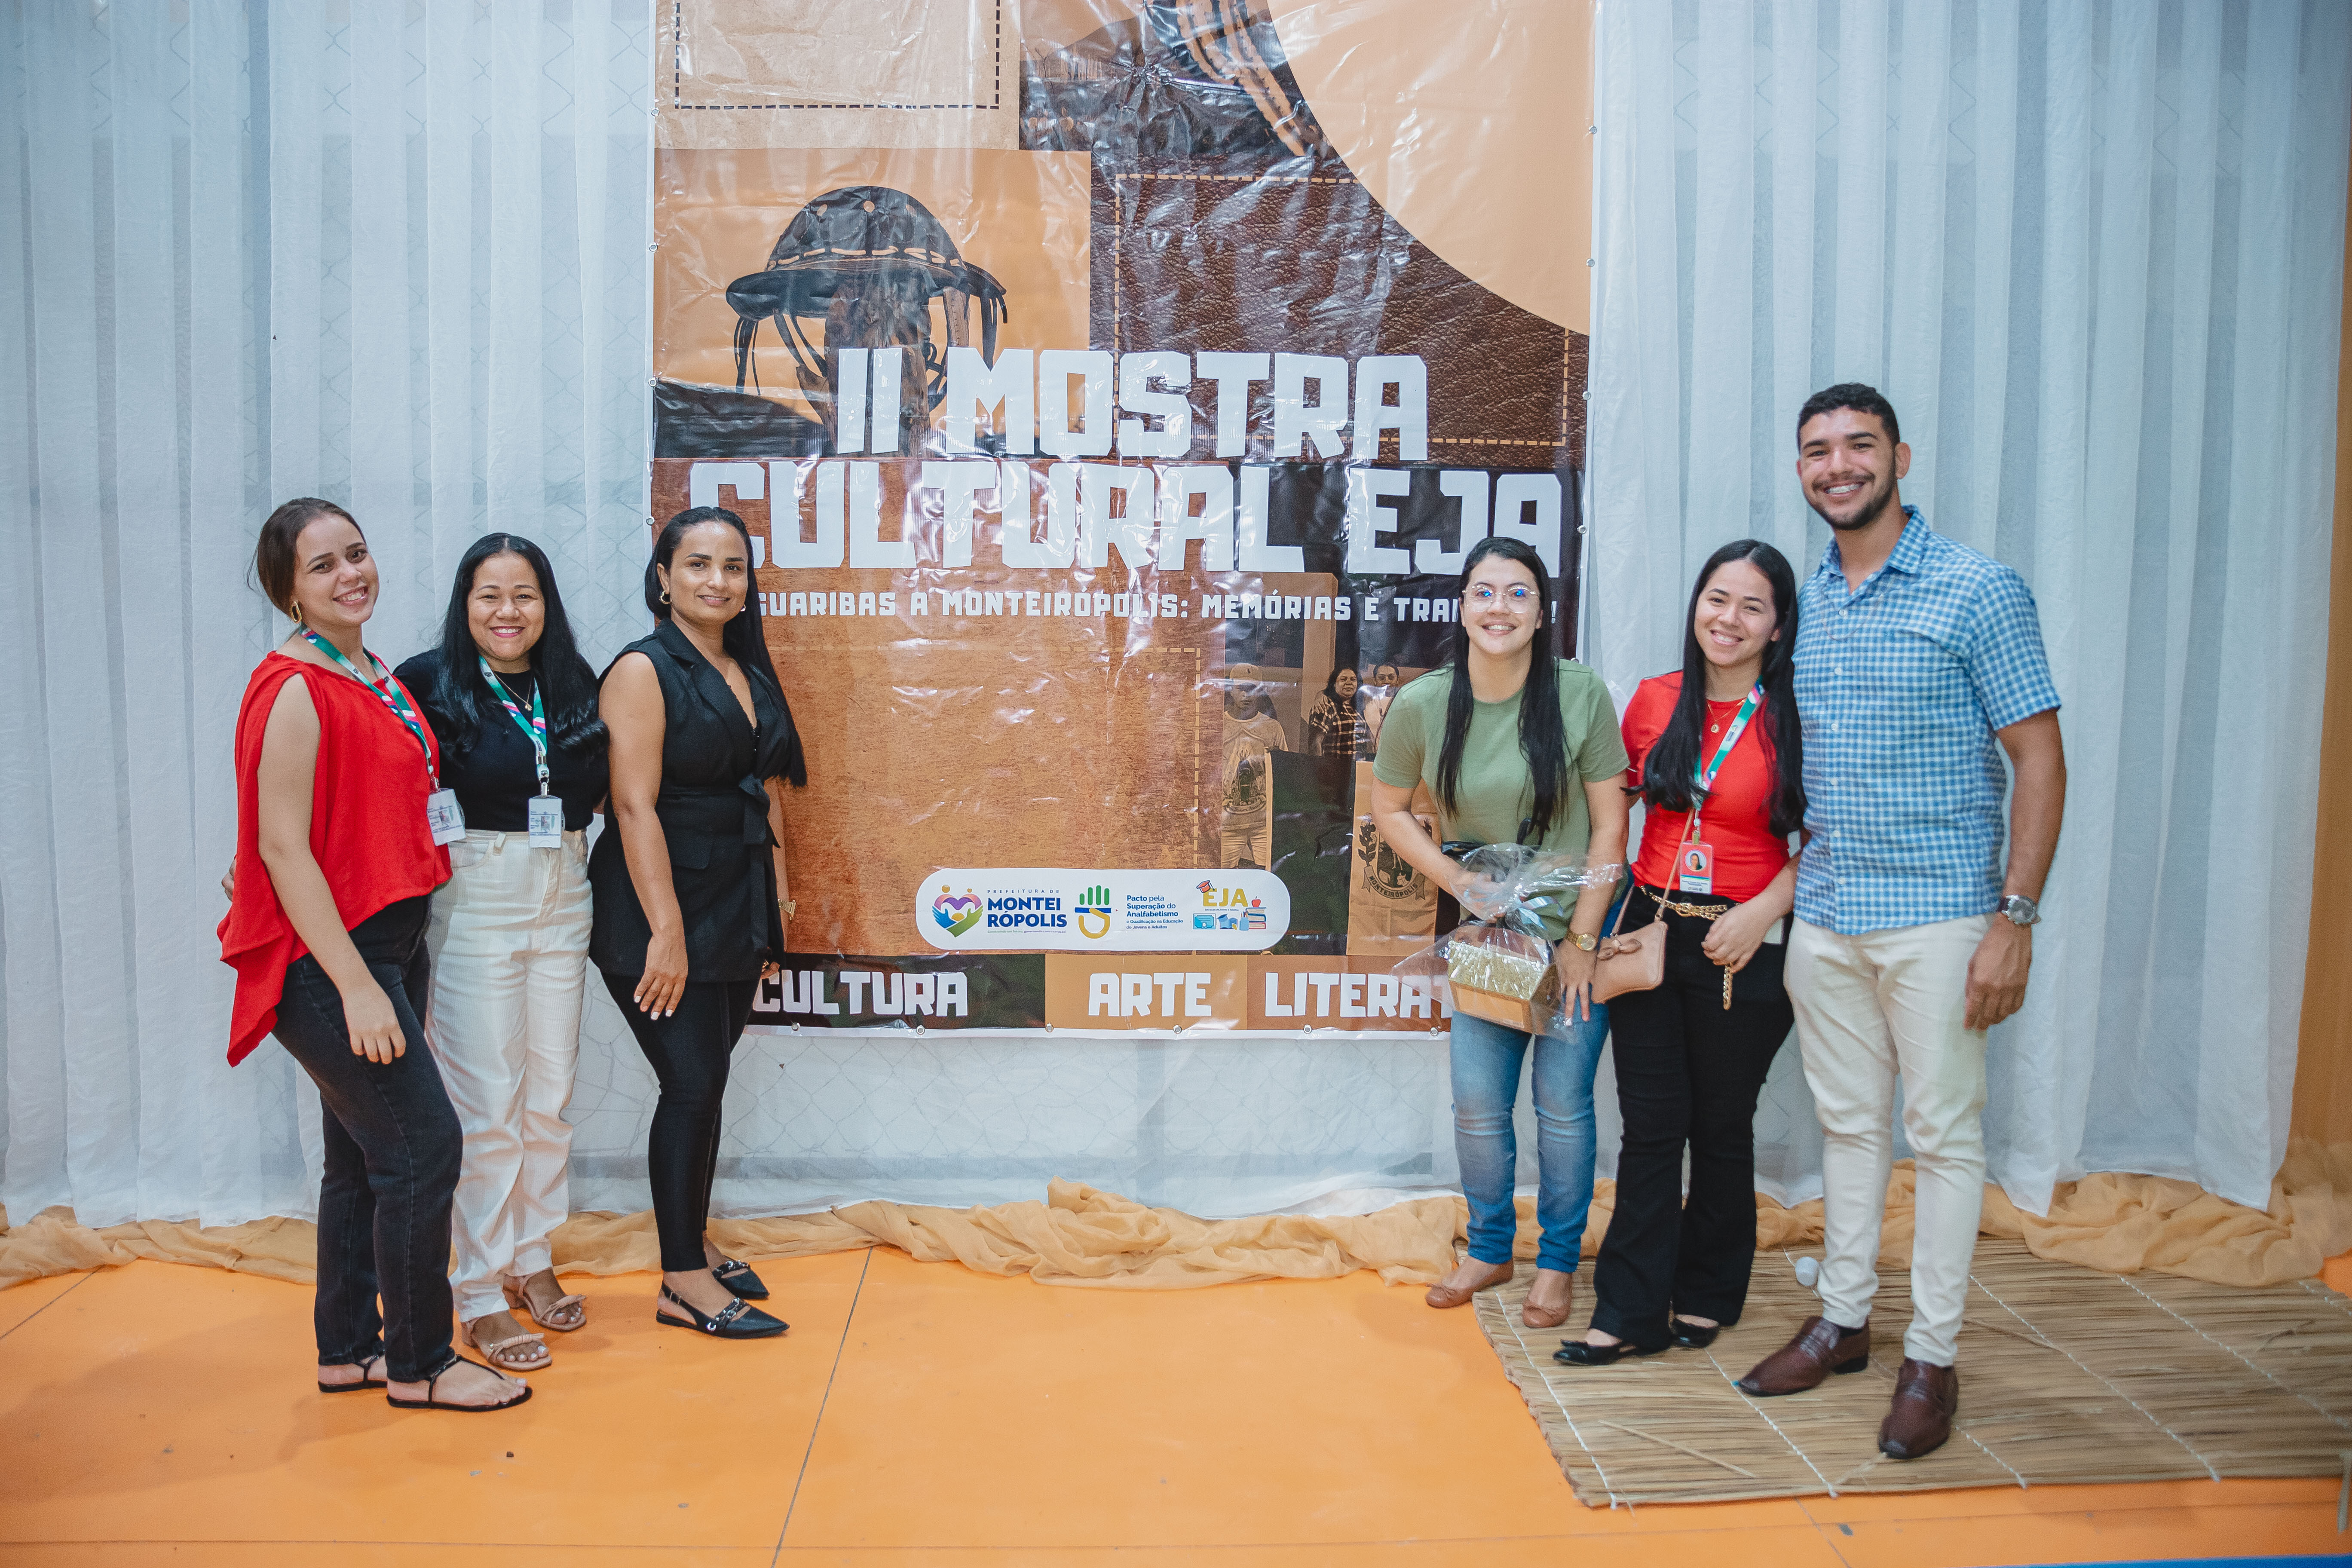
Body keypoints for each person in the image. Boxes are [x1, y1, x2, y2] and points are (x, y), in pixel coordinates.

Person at [1734, 385, 2064, 1463]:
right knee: (1844, 1130)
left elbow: (2037, 757)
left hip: (1940, 917)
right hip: (1825, 916)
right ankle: (1840, 1321)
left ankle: (1931, 1356)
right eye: (1816, 452)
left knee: (1943, 1139)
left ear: (1899, 458)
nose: (1836, 466)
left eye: (1857, 447)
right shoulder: (1808, 600)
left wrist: (2012, 919)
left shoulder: (1977, 590)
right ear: (1800, 471)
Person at [218, 498, 527, 1413]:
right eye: (322, 567)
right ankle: (421, 1363)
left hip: (389, 936)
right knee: (425, 1148)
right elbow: (282, 848)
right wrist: (356, 987)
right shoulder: (296, 688)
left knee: (360, 1158)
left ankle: (348, 1349)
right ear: (289, 591)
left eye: (356, 553)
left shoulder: (366, 669)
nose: (349, 574)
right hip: (336, 960)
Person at [1368, 537, 1631, 1329]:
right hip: (1488, 932)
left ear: (1542, 611)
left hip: (1574, 927)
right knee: (1478, 1104)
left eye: (1517, 594)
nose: (1499, 609)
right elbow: (1386, 809)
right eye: (1484, 592)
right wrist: (1455, 881)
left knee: (1562, 1103)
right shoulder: (1424, 704)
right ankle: (1489, 1247)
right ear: (1462, 606)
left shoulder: (1579, 692)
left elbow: (1613, 824)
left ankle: (1556, 1264)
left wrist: (1583, 939)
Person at [1558, 541, 1803, 1366]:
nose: (1726, 619)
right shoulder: (1656, 700)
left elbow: (1837, 832)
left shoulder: (1798, 711)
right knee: (1653, 1125)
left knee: (1722, 1126)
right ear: (1694, 604)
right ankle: (1627, 1310)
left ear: (1776, 626)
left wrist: (1765, 906)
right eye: (1715, 598)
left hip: (1748, 941)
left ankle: (1706, 1290)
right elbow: (1608, 816)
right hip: (1649, 929)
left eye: (1750, 606)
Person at [393, 536, 609, 1374]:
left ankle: (530, 1257)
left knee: (548, 1097)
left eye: (525, 595)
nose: (508, 612)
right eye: (490, 595)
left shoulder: (575, 681)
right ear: (464, 603)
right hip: (477, 897)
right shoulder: (425, 681)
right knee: (488, 1111)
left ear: (547, 604)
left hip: (566, 889)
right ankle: (476, 1292)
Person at [590, 505, 804, 1340]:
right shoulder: (643, 671)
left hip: (736, 905)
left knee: (707, 1081)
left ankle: (695, 1242)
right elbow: (633, 807)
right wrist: (666, 933)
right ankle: (682, 1281)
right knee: (690, 1085)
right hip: (653, 909)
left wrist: (777, 912)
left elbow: (770, 796)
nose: (718, 581)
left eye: (733, 567)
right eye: (699, 565)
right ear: (664, 578)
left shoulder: (745, 665)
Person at [1217, 663, 1289, 868]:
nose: (1246, 695)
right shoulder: (1217, 725)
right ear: (1231, 689)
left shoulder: (1272, 728)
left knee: (1269, 873)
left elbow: (1283, 772)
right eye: (1241, 688)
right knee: (1222, 878)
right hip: (1227, 823)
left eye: (1252, 689)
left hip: (1263, 823)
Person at [1305, 666, 1369, 758]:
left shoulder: (1357, 709)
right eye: (1343, 680)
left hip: (1358, 768)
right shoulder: (1326, 705)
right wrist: (1317, 767)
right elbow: (1315, 740)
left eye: (1353, 679)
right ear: (1335, 684)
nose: (1349, 683)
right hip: (1335, 769)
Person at [1362, 663, 1402, 749]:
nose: (1387, 681)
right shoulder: (1368, 705)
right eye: (1381, 678)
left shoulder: (1405, 704)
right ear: (1375, 681)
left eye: (1391, 677)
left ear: (1398, 680)